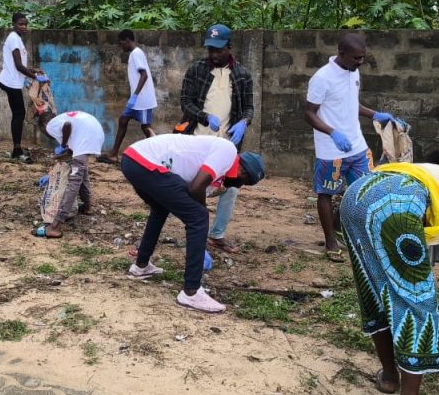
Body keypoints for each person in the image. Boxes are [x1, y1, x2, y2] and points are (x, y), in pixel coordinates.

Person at [341, 160, 439, 395]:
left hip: (355, 195)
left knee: (375, 290)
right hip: (395, 202)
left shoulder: (427, 171)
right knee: (416, 299)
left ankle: (389, 377)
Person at [121, 134, 265, 313]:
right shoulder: (228, 151)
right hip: (144, 161)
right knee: (198, 216)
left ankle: (141, 266)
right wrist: (201, 215)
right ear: (243, 172)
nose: (239, 186)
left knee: (160, 209)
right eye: (244, 182)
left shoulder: (218, 171)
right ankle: (191, 292)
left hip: (132, 160)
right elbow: (195, 188)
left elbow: (194, 191)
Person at [305, 33, 402, 262]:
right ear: (342, 54)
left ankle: (340, 225)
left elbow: (350, 103)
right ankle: (330, 241)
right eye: (357, 58)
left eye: (363, 57)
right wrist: (332, 132)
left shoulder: (353, 72)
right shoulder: (322, 78)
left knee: (367, 189)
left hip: (357, 145)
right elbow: (309, 113)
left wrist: (375, 115)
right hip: (331, 149)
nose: (361, 62)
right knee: (326, 193)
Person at [179, 23, 254, 255]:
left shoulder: (242, 75)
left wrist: (244, 122)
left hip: (228, 142)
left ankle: (217, 234)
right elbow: (185, 101)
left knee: (230, 188)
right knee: (193, 185)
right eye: (210, 50)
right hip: (198, 139)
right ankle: (195, 233)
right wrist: (203, 116)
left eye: (219, 50)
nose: (214, 54)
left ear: (229, 47)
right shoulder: (197, 70)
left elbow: (249, 107)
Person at [33, 109, 106, 238]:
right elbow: (70, 154)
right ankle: (88, 206)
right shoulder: (62, 119)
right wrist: (51, 175)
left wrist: (62, 144)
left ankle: (55, 226)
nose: (48, 135)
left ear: (44, 126)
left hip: (87, 137)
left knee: (74, 182)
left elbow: (67, 125)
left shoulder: (50, 125)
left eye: (45, 133)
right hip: (94, 132)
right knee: (81, 170)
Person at [101, 30, 156, 162]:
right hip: (137, 99)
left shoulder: (136, 54)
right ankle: (114, 154)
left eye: (121, 44)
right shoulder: (134, 54)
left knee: (145, 127)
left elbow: (144, 75)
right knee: (123, 120)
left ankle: (160, 152)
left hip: (142, 100)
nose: (121, 47)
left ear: (127, 40)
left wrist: (135, 96)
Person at [0, 12, 45, 161]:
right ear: (13, 24)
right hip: (10, 82)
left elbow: (19, 64)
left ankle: (17, 148)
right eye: (20, 24)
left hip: (12, 81)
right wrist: (36, 77)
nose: (24, 27)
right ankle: (17, 150)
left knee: (18, 114)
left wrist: (32, 71)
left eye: (25, 24)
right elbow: (18, 66)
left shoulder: (17, 39)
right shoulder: (14, 39)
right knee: (19, 115)